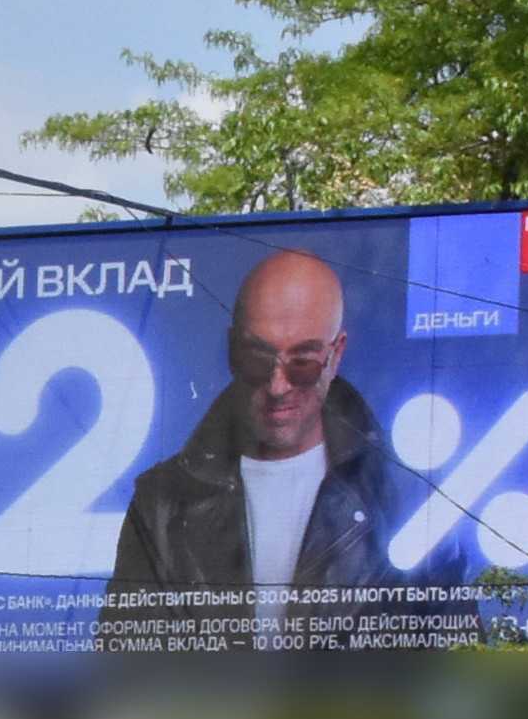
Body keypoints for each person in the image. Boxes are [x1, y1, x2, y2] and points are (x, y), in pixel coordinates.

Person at [96, 249, 399, 651]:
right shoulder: (162, 504)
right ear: (232, 350)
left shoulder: (403, 499)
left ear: (336, 354)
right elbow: (122, 667)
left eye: (303, 363)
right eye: (258, 359)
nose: (278, 386)